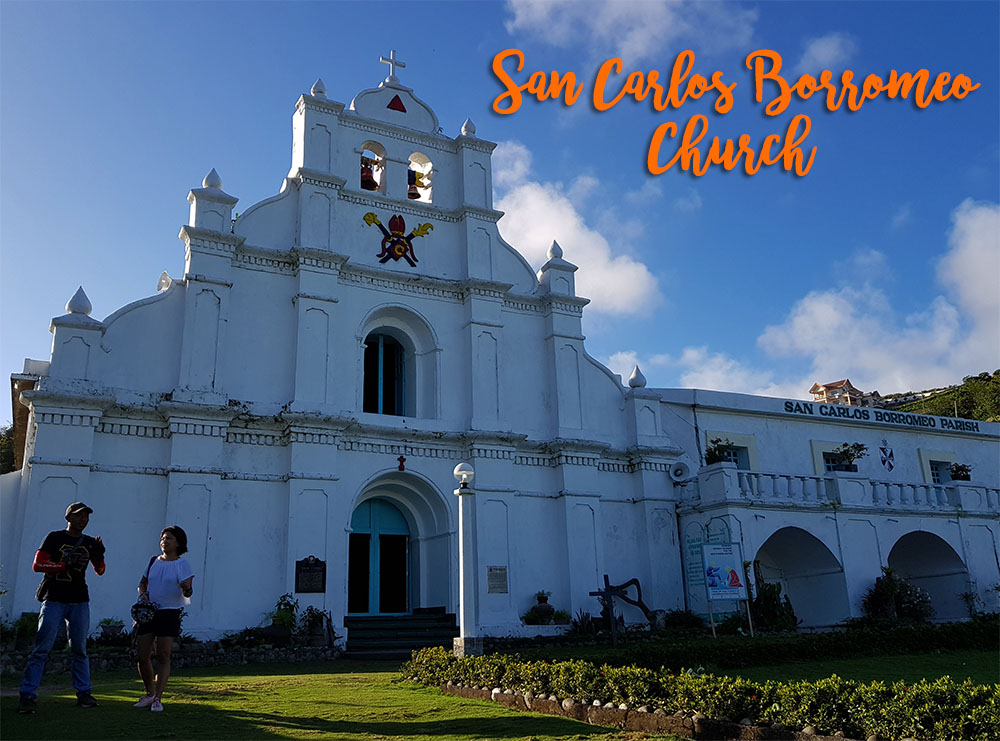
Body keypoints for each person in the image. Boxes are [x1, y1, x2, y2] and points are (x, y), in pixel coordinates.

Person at [19, 502, 106, 714]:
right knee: (42, 648)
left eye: (86, 517)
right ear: (68, 518)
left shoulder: (89, 542)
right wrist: (62, 566)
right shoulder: (55, 537)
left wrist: (100, 555)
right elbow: (38, 565)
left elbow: (100, 570)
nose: (83, 520)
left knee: (79, 649)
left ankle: (84, 693)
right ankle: (27, 695)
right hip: (55, 598)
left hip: (79, 600)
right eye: (79, 516)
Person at [134, 525, 194, 713]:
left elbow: (189, 591)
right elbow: (142, 583)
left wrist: (186, 588)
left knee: (163, 655)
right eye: (162, 538)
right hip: (148, 612)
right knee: (142, 656)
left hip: (170, 613)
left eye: (168, 538)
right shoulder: (153, 561)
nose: (164, 542)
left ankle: (158, 698)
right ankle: (149, 693)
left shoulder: (182, 565)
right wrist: (143, 594)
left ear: (178, 543)